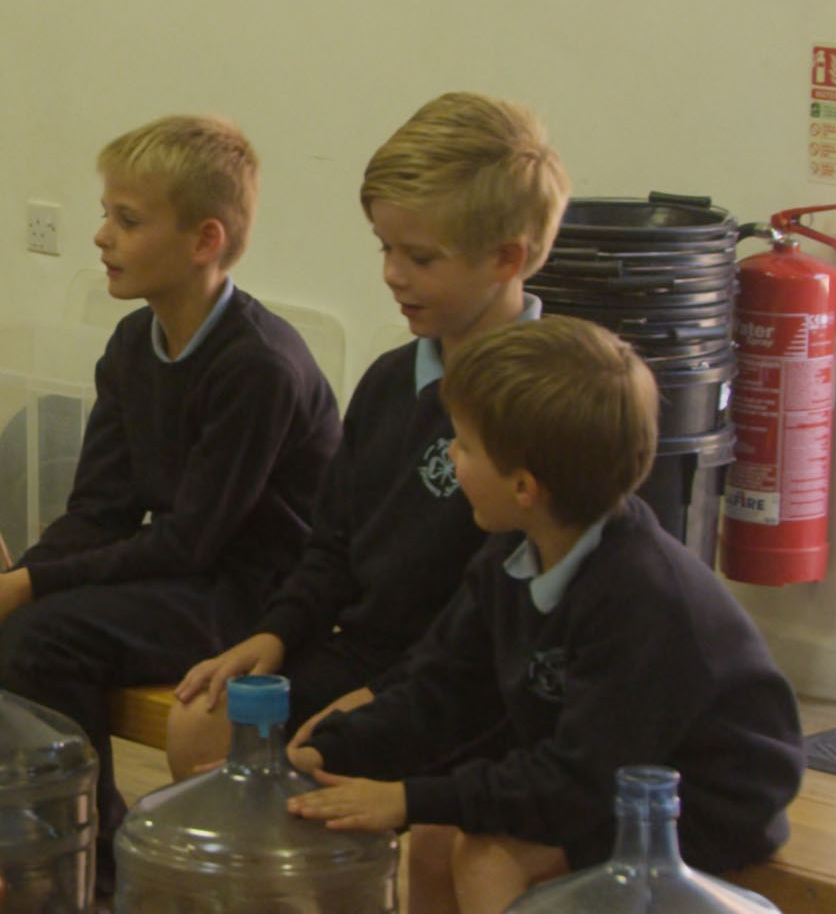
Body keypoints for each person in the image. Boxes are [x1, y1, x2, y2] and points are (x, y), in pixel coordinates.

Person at [0, 114, 340, 885]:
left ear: (205, 239)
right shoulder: (129, 346)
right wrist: (8, 585)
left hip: (255, 597)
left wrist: (33, 584)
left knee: (46, 639)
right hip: (184, 574)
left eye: (127, 219)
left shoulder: (259, 365)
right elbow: (99, 510)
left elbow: (192, 542)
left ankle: (91, 864)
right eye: (106, 212)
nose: (101, 236)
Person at [286, 315, 804, 914]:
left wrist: (407, 797)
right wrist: (325, 754)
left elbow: (578, 784)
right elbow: (438, 688)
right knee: (430, 842)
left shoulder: (643, 599)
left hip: (696, 802)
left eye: (464, 445)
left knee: (487, 859)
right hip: (594, 771)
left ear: (525, 487)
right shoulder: (511, 550)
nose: (450, 456)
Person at [167, 92, 569, 778]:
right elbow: (332, 545)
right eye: (386, 247)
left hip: (481, 683)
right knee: (200, 725)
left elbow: (506, 621)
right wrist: (275, 631)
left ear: (507, 258)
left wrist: (390, 696)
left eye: (420, 257)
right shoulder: (389, 383)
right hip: (364, 652)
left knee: (340, 755)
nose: (391, 273)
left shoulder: (550, 403)